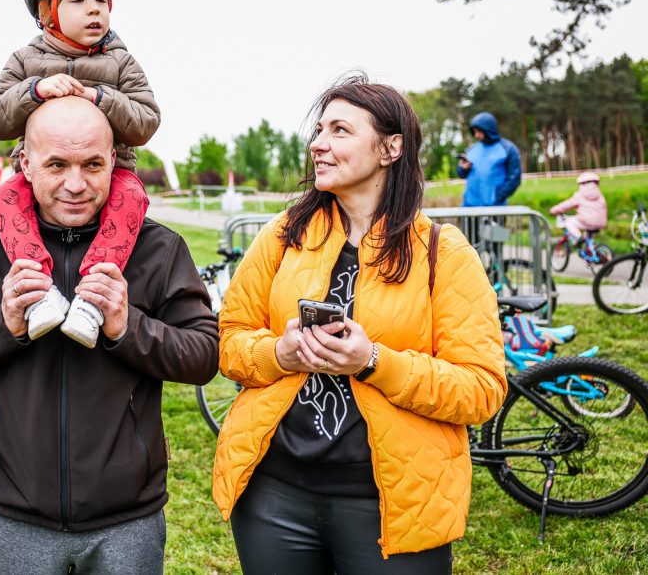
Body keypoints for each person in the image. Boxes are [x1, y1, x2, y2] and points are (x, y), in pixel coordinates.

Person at [212, 77, 507, 573]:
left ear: (391, 148)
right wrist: (277, 354)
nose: (318, 144)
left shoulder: (444, 254)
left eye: (340, 130)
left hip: (393, 503)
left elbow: (481, 389)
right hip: (272, 495)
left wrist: (375, 362)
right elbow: (228, 343)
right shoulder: (282, 237)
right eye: (319, 129)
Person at [0, 97, 218, 575]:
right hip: (16, 512)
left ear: (113, 162)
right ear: (25, 165)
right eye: (56, 164)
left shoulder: (159, 248)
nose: (76, 185)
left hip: (127, 518)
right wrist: (5, 322)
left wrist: (126, 325)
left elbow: (203, 355)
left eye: (92, 164)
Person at [0, 0, 160, 348]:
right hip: (39, 180)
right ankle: (39, 289)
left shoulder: (120, 62)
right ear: (47, 11)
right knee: (6, 198)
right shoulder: (24, 61)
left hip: (110, 177)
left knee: (131, 199)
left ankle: (93, 300)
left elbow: (147, 120)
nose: (95, 7)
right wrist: (34, 90)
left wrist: (100, 96)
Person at [456, 111, 522, 206]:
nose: (476, 135)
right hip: (469, 208)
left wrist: (497, 197)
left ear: (488, 129)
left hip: (494, 210)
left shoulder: (508, 149)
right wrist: (463, 168)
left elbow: (514, 178)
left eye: (479, 131)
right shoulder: (472, 149)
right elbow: (461, 174)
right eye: (474, 132)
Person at [549, 172, 608, 241]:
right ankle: (594, 250)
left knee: (569, 221)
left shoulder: (579, 195)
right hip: (600, 224)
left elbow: (566, 205)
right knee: (588, 242)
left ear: (582, 184)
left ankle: (578, 237)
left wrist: (553, 211)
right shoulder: (601, 196)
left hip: (586, 222)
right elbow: (604, 209)